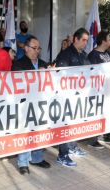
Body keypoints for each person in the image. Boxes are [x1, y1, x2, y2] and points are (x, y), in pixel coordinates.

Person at [11, 36, 52, 174]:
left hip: (41, 104)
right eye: (34, 48)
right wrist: (36, 74)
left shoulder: (43, 63)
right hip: (25, 105)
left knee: (39, 131)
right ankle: (23, 162)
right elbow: (17, 84)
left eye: (39, 48)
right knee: (25, 132)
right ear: (26, 48)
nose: (37, 51)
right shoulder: (18, 64)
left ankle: (37, 158)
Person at [53, 28, 92, 167]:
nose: (86, 43)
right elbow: (61, 76)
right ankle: (62, 155)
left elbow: (91, 72)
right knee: (65, 124)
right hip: (66, 97)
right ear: (76, 39)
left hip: (79, 96)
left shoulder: (84, 55)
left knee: (75, 123)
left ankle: (72, 147)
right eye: (84, 40)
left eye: (87, 40)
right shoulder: (65, 54)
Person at [87, 30, 110, 148]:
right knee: (96, 114)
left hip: (108, 89)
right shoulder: (93, 55)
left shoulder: (108, 53)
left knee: (106, 112)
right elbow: (91, 73)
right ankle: (93, 139)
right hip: (97, 90)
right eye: (109, 39)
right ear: (103, 41)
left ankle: (105, 134)